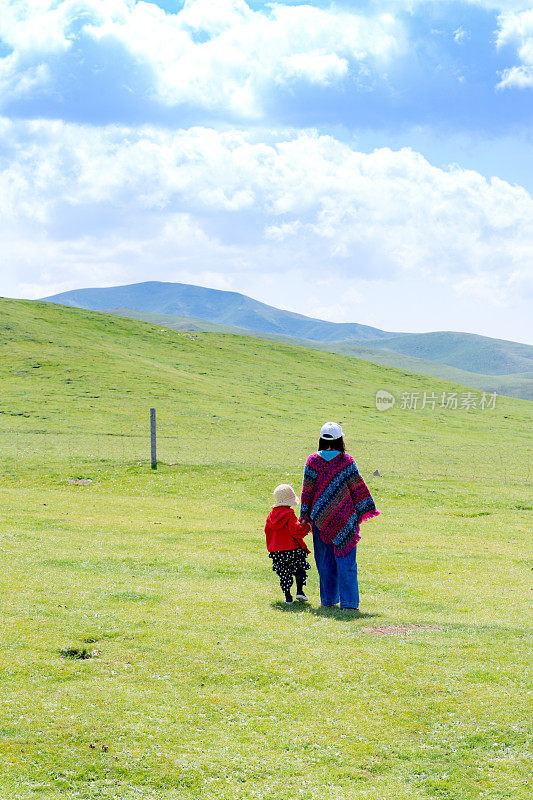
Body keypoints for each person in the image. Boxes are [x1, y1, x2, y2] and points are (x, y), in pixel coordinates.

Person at [299, 422, 379, 610]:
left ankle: (328, 600)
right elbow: (358, 488)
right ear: (340, 439)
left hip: (320, 520)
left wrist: (304, 516)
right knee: (347, 563)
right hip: (345, 520)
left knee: (325, 562)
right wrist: (363, 509)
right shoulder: (347, 461)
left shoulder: (312, 460)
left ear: (321, 438)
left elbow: (307, 492)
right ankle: (350, 604)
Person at [265, 484, 312, 604]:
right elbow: (296, 531)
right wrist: (306, 527)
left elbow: (267, 532)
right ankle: (300, 592)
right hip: (292, 549)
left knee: (284, 573)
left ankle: (288, 597)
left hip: (276, 551)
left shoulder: (270, 516)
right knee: (299, 569)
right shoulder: (289, 514)